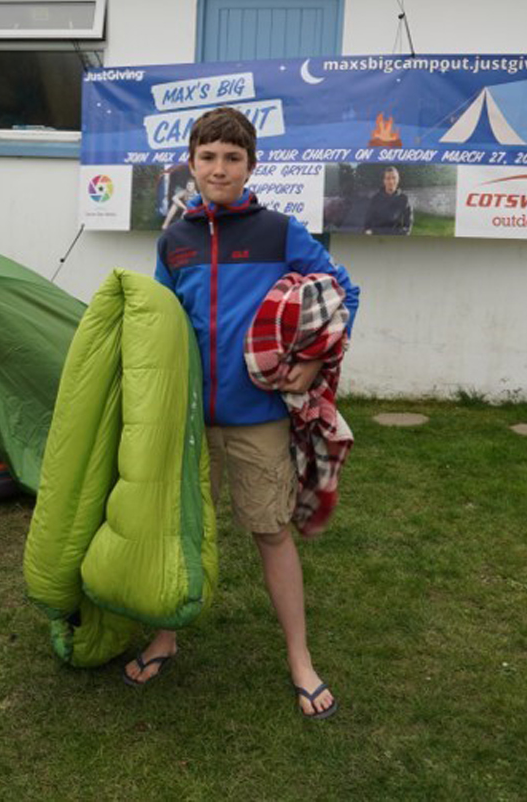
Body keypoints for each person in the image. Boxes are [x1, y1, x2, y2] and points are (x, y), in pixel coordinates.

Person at [137, 106, 360, 720]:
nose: (219, 168)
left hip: (257, 416)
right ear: (191, 163)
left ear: (251, 166)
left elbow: (345, 293)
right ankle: (166, 634)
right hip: (186, 419)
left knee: (269, 530)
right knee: (179, 529)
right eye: (208, 157)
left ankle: (300, 658)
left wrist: (313, 364)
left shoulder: (279, 231)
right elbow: (159, 319)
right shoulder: (173, 240)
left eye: (233, 158)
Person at [363, 166, 413, 235]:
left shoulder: (404, 199)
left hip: (395, 238)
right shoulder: (375, 198)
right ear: (384, 180)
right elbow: (367, 224)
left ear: (398, 179)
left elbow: (407, 226)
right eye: (388, 178)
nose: (391, 181)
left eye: (394, 178)